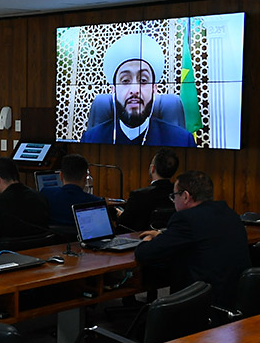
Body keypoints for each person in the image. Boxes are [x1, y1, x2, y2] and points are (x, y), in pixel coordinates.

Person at [135, 170, 250, 306]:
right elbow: (200, 238)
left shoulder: (185, 219)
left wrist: (147, 239)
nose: (173, 201)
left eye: (174, 196)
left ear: (185, 196)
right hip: (236, 298)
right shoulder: (228, 212)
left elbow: (145, 254)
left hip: (202, 304)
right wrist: (162, 236)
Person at [80, 33, 197, 147]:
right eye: (125, 81)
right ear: (114, 90)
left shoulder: (182, 141)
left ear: (154, 89)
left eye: (143, 81)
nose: (135, 90)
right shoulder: (90, 139)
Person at [116, 148, 179, 232]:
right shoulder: (178, 194)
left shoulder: (138, 195)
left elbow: (123, 223)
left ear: (153, 168)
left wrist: (120, 215)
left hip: (141, 239)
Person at [41, 154, 101, 227]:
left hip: (53, 238)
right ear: (85, 178)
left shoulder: (46, 194)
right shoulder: (96, 203)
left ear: (61, 176)